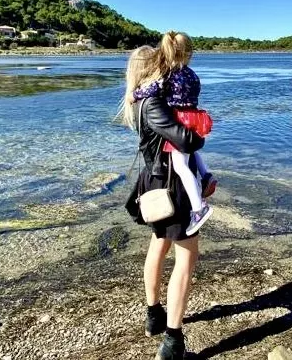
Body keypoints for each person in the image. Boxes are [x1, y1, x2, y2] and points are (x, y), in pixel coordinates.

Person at [122, 44, 205, 360]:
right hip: (172, 186)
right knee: (186, 257)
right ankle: (172, 341)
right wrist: (201, 132)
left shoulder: (142, 101)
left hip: (156, 183)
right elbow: (184, 139)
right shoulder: (154, 103)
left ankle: (154, 315)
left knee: (158, 244)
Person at [133, 31, 216, 236]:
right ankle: (206, 175)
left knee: (180, 165)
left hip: (182, 117)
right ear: (189, 52)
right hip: (196, 115)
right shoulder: (191, 73)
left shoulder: (168, 75)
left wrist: (134, 94)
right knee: (192, 152)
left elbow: (151, 90)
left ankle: (199, 209)